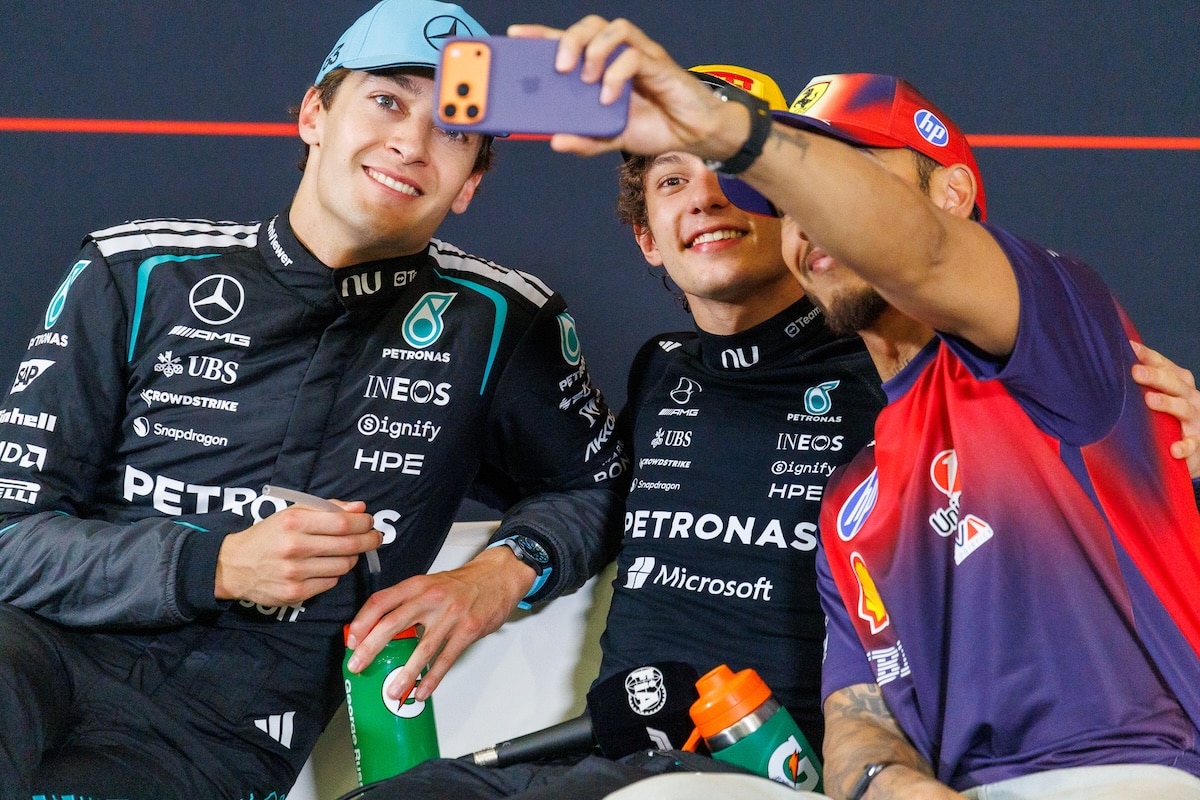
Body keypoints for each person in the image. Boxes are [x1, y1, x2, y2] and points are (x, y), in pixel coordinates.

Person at [507, 17, 1200, 800]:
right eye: (789, 200)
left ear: (953, 192)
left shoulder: (1060, 340)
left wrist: (726, 126)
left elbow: (922, 252)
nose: (813, 221)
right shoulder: (849, 506)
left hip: (1131, 771)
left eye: (844, 179)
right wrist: (887, 783)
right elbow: (860, 721)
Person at [0, 2, 626, 798]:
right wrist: (215, 564)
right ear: (314, 115)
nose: (410, 142)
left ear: (470, 183)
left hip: (220, 732)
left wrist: (499, 575)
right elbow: (9, 535)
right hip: (40, 650)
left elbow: (601, 483)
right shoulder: (138, 271)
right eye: (388, 101)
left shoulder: (502, 320)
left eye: (454, 130)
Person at [364, 64, 884, 800]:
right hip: (615, 761)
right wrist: (504, 569)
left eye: (735, 171)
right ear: (647, 238)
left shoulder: (890, 370)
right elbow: (601, 495)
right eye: (672, 181)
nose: (706, 197)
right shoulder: (663, 370)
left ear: (800, 208)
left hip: (768, 772)